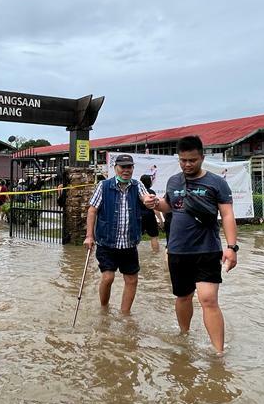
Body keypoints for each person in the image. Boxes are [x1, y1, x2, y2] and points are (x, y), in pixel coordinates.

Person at [147, 135, 238, 355]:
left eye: (192, 160)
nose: (187, 164)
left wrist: (231, 247)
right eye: (183, 160)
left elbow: (227, 214)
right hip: (178, 250)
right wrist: (155, 203)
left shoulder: (216, 182)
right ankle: (184, 335)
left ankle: (218, 353)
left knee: (208, 299)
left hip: (207, 249)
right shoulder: (174, 181)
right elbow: (170, 205)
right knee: (183, 296)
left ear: (202, 158)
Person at [84, 153, 150, 314]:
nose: (126, 170)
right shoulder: (104, 186)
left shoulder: (137, 185)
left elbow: (145, 198)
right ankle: (104, 308)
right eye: (123, 167)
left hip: (129, 243)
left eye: (129, 167)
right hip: (107, 242)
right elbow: (92, 210)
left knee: (132, 280)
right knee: (108, 278)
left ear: (133, 168)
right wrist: (89, 236)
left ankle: (125, 314)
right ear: (115, 168)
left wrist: (150, 200)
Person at [139, 173, 162, 252]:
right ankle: (156, 254)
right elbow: (155, 208)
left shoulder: (137, 192)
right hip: (150, 216)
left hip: (139, 216)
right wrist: (160, 220)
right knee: (154, 237)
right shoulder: (151, 192)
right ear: (150, 182)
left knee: (135, 237)